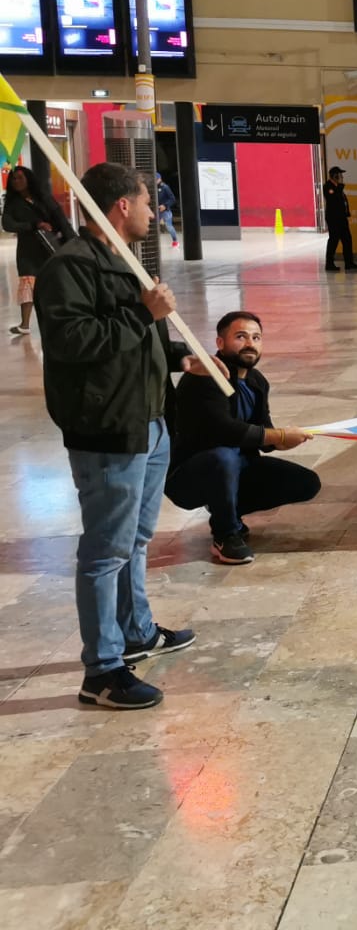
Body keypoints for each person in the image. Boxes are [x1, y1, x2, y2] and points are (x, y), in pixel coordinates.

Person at [34, 162, 201, 710]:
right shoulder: (72, 266)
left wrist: (178, 357)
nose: (155, 212)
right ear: (122, 205)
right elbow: (73, 343)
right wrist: (142, 312)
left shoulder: (125, 260)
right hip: (108, 428)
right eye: (148, 202)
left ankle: (136, 632)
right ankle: (102, 670)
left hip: (149, 421)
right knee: (106, 549)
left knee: (135, 539)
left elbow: (137, 339)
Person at [165, 311, 322, 565]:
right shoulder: (204, 377)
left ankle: (227, 509)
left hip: (236, 466)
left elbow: (263, 432)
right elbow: (224, 431)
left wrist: (283, 439)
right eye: (241, 337)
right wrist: (279, 435)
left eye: (256, 338)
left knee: (306, 482)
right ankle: (225, 535)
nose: (250, 343)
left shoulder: (257, 381)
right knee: (223, 455)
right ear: (220, 343)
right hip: (189, 474)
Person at [4, 164, 75, 337]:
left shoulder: (43, 198)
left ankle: (60, 317)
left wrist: (72, 240)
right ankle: (25, 324)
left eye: (20, 178)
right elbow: (8, 224)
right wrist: (33, 225)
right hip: (28, 249)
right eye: (14, 179)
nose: (16, 181)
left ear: (29, 179)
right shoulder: (12, 203)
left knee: (54, 281)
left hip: (50, 246)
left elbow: (60, 218)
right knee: (27, 282)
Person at [323, 166, 357, 272]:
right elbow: (333, 199)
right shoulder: (328, 186)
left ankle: (349, 263)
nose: (342, 177)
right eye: (340, 175)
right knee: (333, 240)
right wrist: (339, 187)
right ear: (335, 176)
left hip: (342, 218)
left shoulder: (338, 187)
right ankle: (329, 264)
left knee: (347, 240)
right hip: (333, 218)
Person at [155, 172, 179, 248]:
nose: (155, 181)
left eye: (156, 179)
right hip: (155, 211)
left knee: (169, 226)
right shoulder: (152, 188)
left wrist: (165, 206)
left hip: (164, 211)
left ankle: (175, 241)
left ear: (160, 179)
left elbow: (172, 199)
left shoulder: (165, 187)